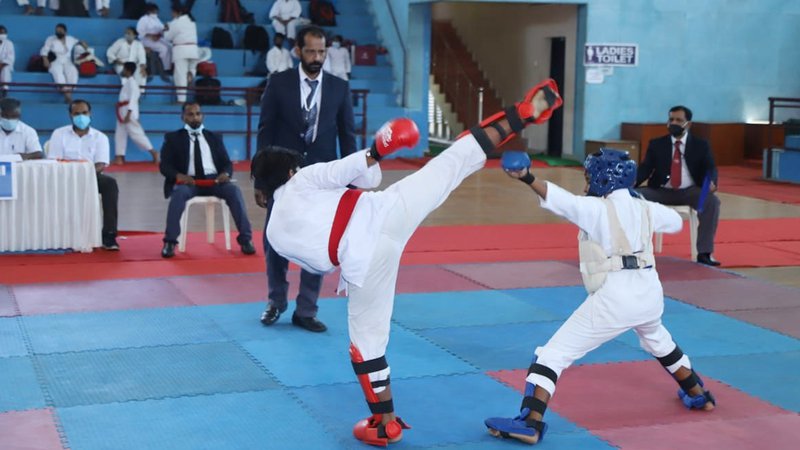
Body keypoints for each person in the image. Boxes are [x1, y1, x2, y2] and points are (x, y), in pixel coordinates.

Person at [252, 79, 561, 446]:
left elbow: (319, 265)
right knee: (455, 158)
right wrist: (377, 151)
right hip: (388, 211)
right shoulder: (303, 177)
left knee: (366, 345)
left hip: (362, 262)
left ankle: (385, 423)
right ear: (288, 171)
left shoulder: (273, 235)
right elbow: (349, 169)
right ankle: (522, 112)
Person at [484, 147, 717, 446]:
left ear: (602, 179)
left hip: (615, 299)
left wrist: (527, 177)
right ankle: (699, 395)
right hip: (649, 294)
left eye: (588, 176)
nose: (585, 182)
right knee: (658, 341)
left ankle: (530, 421)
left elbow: (561, 201)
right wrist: (640, 205)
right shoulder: (646, 207)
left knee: (551, 355)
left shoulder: (596, 210)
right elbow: (676, 223)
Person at [256, 25, 357, 333]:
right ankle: (276, 301)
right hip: (282, 177)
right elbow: (265, 130)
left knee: (317, 244)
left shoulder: (339, 87)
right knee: (275, 241)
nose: (317, 57)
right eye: (311, 51)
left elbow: (347, 136)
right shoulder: (278, 83)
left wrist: (350, 178)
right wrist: (261, 179)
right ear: (298, 50)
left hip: (323, 178)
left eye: (322, 51)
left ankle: (306, 309)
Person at [158, 102, 256, 258]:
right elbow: (165, 166)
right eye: (190, 114)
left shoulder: (214, 137)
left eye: (198, 114)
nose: (195, 117)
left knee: (234, 191)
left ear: (202, 116)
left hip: (214, 181)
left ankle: (246, 239)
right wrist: (178, 176)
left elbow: (226, 163)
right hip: (188, 181)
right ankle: (170, 242)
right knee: (178, 194)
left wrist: (226, 173)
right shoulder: (173, 138)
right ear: (183, 117)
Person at [635, 105, 721, 266]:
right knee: (631, 197)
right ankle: (633, 250)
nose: (673, 123)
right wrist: (630, 184)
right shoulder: (657, 144)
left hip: (690, 191)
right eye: (671, 119)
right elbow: (645, 168)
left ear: (688, 124)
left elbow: (710, 167)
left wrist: (711, 182)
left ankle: (704, 253)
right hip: (659, 190)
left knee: (711, 202)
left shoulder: (701, 145)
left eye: (678, 120)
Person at [48, 100, 119, 250]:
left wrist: (83, 174)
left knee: (110, 184)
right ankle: (52, 233)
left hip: (91, 177)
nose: (81, 117)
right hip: (64, 178)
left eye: (84, 113)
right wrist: (72, 174)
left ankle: (109, 235)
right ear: (70, 115)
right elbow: (54, 161)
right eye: (77, 113)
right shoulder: (59, 134)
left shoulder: (100, 137)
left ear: (90, 114)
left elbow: (101, 164)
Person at [114, 62, 157, 165]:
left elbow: (133, 100)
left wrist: (129, 114)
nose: (122, 71)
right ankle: (120, 157)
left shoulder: (132, 83)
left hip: (128, 111)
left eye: (124, 69)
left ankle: (154, 152)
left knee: (136, 133)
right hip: (122, 110)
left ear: (128, 71)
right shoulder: (127, 82)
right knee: (120, 134)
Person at [40, 24, 88, 103]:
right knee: (57, 73)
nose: (58, 32)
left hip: (67, 60)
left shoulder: (70, 39)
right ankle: (68, 96)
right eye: (57, 31)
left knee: (73, 72)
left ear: (65, 32)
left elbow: (79, 42)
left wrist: (83, 43)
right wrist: (45, 60)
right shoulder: (50, 39)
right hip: (56, 60)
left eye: (60, 31)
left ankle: (68, 93)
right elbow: (45, 50)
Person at [164, 4, 198, 104]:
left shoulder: (176, 22)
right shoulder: (192, 22)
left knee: (180, 76)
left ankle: (181, 100)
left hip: (181, 50)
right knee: (191, 68)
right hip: (193, 50)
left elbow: (167, 37)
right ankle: (191, 73)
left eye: (173, 12)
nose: (171, 14)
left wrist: (166, 29)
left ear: (178, 12)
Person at [137, 4, 171, 78]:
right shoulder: (143, 19)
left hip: (157, 38)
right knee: (164, 49)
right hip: (147, 40)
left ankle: (168, 67)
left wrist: (165, 29)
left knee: (169, 46)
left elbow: (161, 29)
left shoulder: (157, 20)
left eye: (156, 11)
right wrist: (150, 36)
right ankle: (164, 68)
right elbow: (140, 32)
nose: (155, 12)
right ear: (149, 11)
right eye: (154, 11)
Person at [0, 26, 14, 98]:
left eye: (4, 33)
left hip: (4, 65)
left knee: (5, 69)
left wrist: (2, 64)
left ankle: (4, 90)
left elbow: (10, 58)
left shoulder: (9, 43)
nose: (2, 34)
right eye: (1, 33)